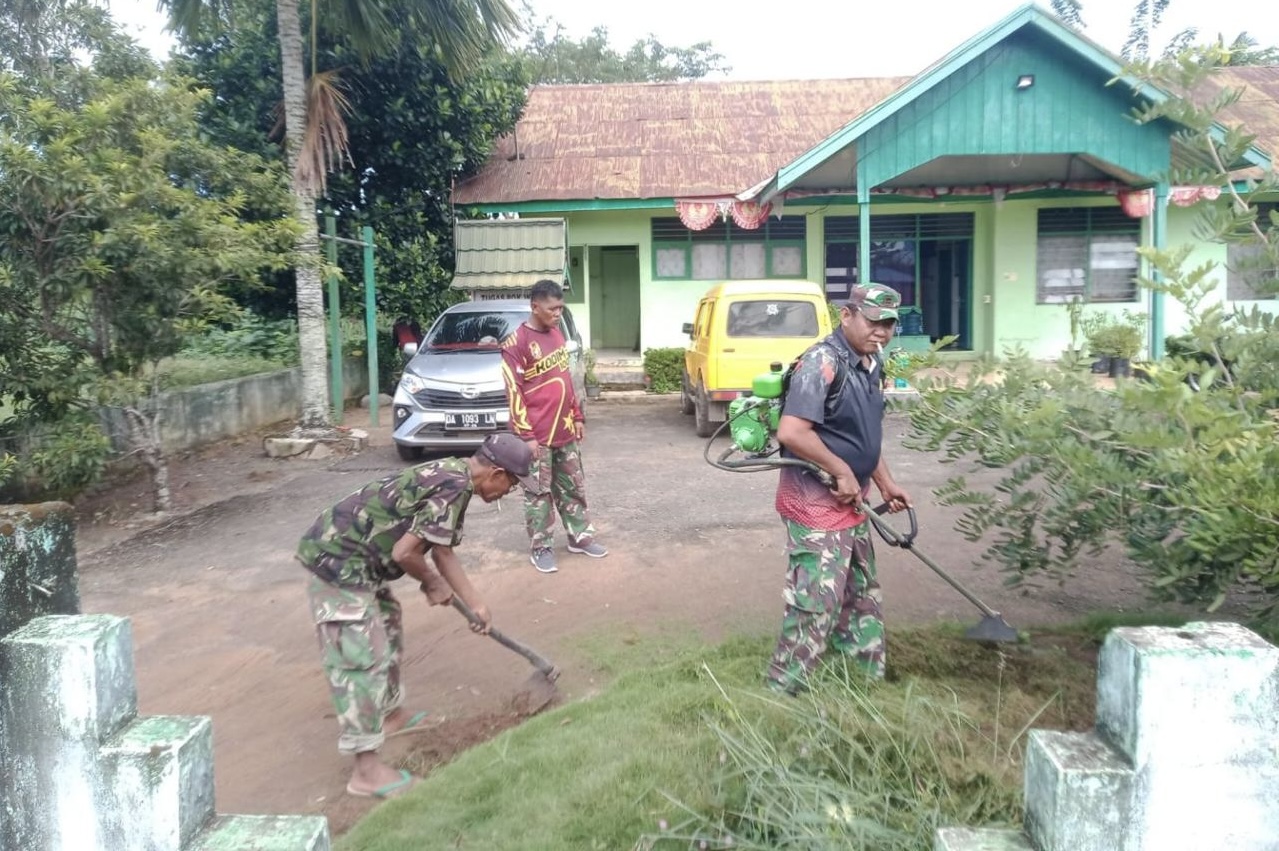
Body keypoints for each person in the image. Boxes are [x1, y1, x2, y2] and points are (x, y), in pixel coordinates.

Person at [296, 433, 534, 799]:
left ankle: (391, 715)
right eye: (512, 484)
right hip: (338, 561)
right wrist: (432, 584)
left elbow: (441, 552)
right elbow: (406, 552)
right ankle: (366, 771)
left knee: (388, 627)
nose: (509, 492)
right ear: (496, 473)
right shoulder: (454, 485)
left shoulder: (458, 477)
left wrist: (476, 604)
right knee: (359, 658)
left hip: (363, 564)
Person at [766, 283, 913, 694]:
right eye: (873, 321)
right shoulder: (821, 362)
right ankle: (785, 689)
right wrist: (840, 469)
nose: (881, 332)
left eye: (888, 324)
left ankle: (862, 680)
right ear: (846, 316)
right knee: (816, 602)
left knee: (861, 592)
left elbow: (864, 433)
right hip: (815, 503)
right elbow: (793, 431)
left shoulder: (871, 363)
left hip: (852, 501)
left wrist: (884, 482)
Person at [501, 279, 608, 574]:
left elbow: (567, 380)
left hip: (565, 431)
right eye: (552, 308)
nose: (557, 313)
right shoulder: (516, 344)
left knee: (573, 486)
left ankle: (580, 537)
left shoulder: (558, 335)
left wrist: (577, 417)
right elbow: (514, 394)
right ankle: (541, 546)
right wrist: (526, 437)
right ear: (535, 306)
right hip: (536, 436)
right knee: (539, 493)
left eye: (561, 308)